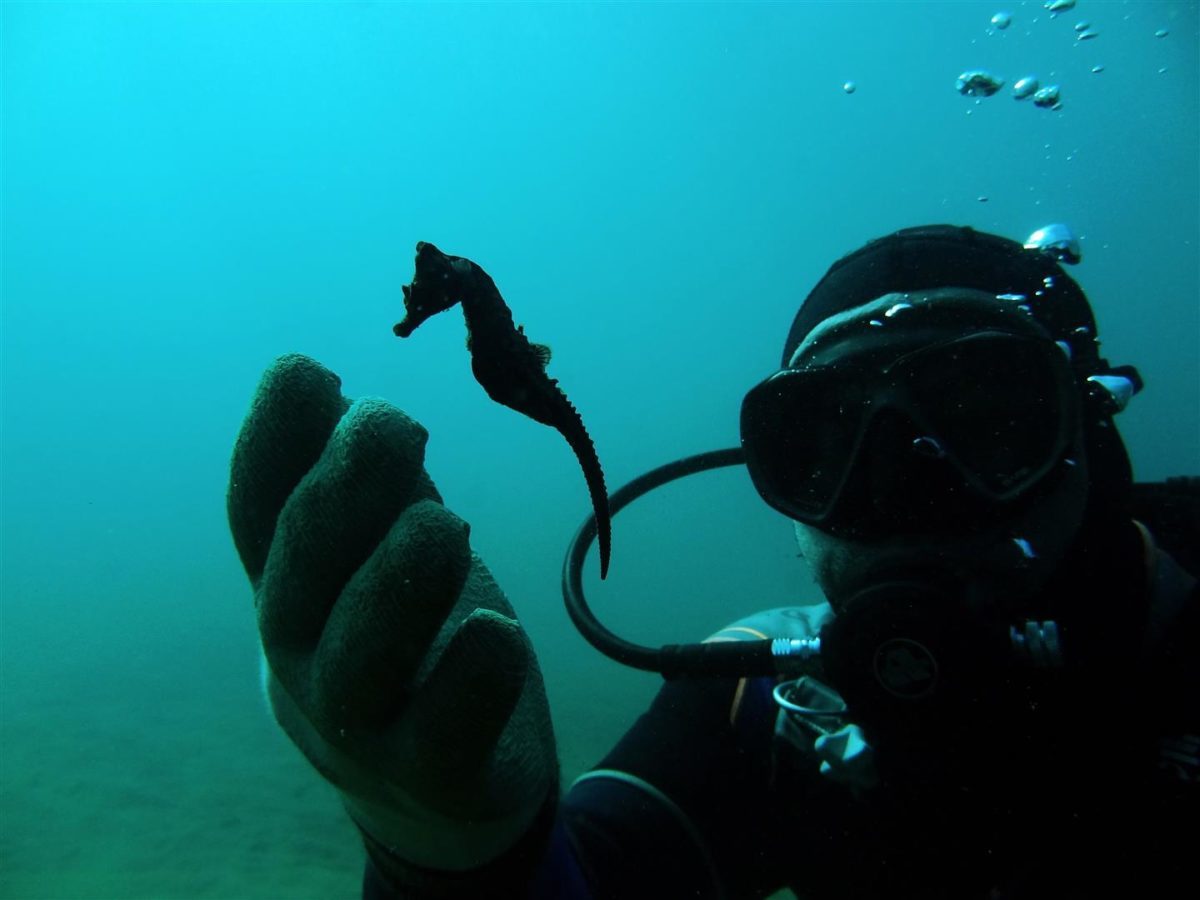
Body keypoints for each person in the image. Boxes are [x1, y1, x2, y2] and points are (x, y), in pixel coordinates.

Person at [227, 225, 1198, 899]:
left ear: (1093, 439)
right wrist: (454, 861)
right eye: (827, 443)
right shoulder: (760, 707)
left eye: (990, 420)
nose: (910, 497)